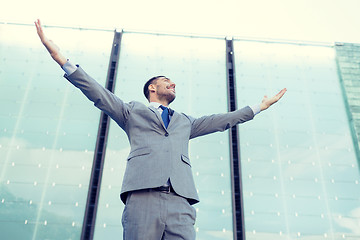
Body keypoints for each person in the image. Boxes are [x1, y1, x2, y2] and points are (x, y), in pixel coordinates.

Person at [35, 19, 286, 240]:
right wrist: (61, 59)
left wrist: (258, 107)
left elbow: (221, 120)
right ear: (152, 88)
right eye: (167, 81)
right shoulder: (131, 112)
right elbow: (97, 92)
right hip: (143, 198)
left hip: (181, 201)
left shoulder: (185, 121)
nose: (172, 83)